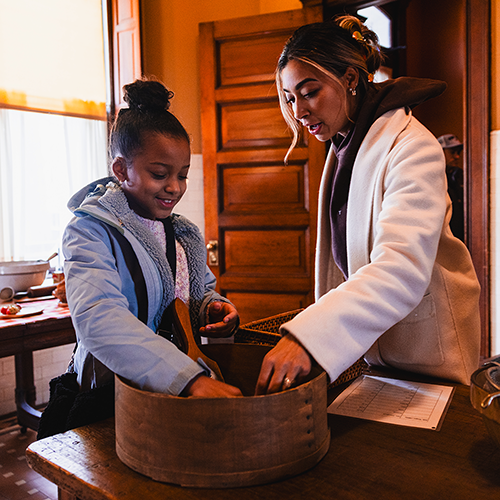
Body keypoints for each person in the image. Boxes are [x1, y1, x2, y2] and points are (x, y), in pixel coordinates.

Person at [255, 15, 481, 394]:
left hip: (429, 353)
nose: (298, 111)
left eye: (309, 92)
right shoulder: (345, 143)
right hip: (378, 354)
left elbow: (401, 267)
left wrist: (308, 338)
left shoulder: (413, 147)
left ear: (350, 78)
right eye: (290, 98)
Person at [61, 79, 242, 400]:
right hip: (111, 393)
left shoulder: (183, 234)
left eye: (182, 174)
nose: (175, 187)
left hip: (178, 385)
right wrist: (188, 380)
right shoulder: (90, 231)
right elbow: (98, 317)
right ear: (121, 169)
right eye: (160, 174)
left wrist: (214, 309)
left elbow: (192, 295)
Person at [438, 134, 464, 241]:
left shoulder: (460, 176)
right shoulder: (434, 178)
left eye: (458, 152)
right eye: (452, 152)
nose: (457, 156)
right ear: (440, 152)